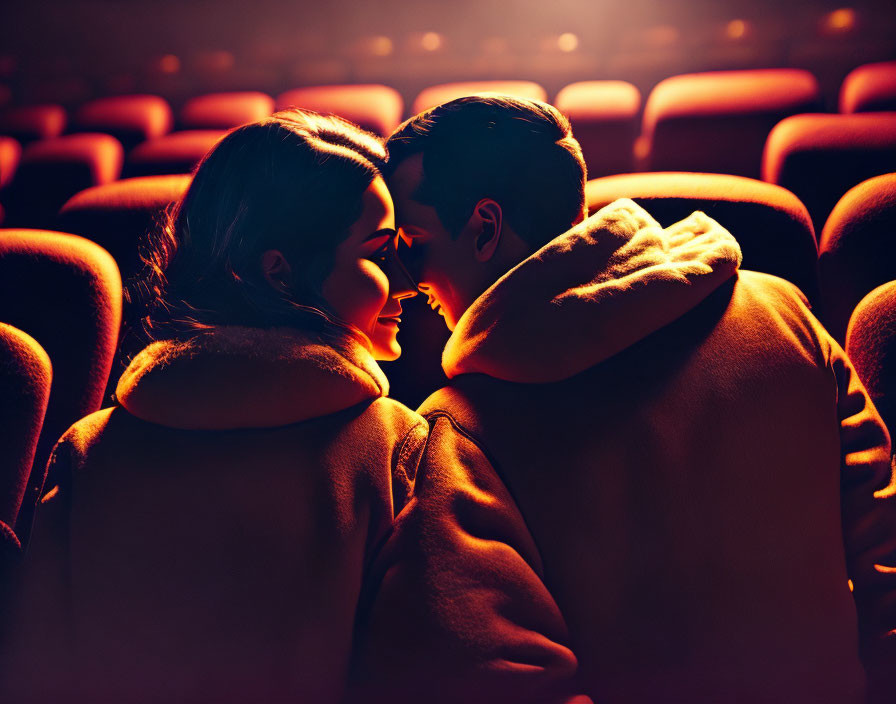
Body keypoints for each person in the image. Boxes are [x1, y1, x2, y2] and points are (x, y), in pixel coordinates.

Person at [350, 96, 896, 704]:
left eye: (414, 241)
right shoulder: (781, 309)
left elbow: (504, 683)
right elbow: (886, 556)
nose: (402, 277)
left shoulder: (458, 435)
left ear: (484, 228)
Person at [1, 109, 426, 704]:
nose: (408, 282)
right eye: (381, 253)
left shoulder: (87, 450)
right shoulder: (396, 447)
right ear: (278, 276)